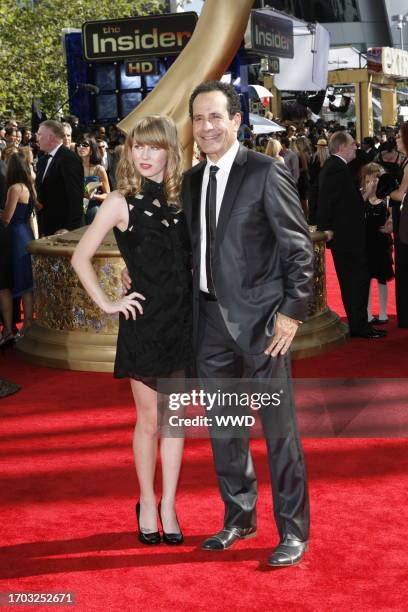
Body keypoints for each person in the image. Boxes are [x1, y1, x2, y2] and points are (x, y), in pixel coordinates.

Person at [183, 81, 313, 567]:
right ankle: (238, 517)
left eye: (215, 117)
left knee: (279, 431)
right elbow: (196, 248)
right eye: (198, 119)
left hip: (264, 325)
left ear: (237, 121)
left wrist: (290, 313)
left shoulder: (264, 171)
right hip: (209, 321)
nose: (206, 127)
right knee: (226, 428)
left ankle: (293, 531)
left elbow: (298, 248)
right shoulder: (193, 180)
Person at [72, 115, 192, 546]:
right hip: (144, 324)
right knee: (149, 422)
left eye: (154, 147)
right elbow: (79, 257)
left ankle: (169, 506)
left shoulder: (184, 199)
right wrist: (108, 302)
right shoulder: (119, 202)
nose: (144, 155)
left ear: (169, 152)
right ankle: (145, 499)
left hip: (182, 322)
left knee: (175, 422)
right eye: (138, 146)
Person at [317, 131, 386, 339]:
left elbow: (344, 201)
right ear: (341, 147)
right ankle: (359, 326)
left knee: (355, 281)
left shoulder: (337, 167)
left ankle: (359, 325)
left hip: (348, 237)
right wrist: (325, 227)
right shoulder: (336, 168)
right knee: (355, 281)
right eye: (352, 144)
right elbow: (326, 201)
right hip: (347, 239)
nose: (356, 147)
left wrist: (363, 194)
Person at [1, 153, 35, 338]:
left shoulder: (14, 188)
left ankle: (18, 327)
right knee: (26, 283)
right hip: (25, 233)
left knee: (18, 281)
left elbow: (7, 218)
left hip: (15, 235)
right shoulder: (28, 186)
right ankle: (28, 323)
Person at [35, 120, 83, 236]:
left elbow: (75, 196)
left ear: (51, 137)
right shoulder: (42, 161)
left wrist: (69, 228)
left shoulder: (69, 159)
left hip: (64, 230)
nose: (37, 138)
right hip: (46, 226)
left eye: (40, 135)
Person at [360, 163, 394, 324]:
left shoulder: (387, 199)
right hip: (365, 244)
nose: (373, 183)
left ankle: (383, 312)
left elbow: (394, 216)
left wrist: (390, 223)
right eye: (369, 180)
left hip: (381, 244)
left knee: (382, 278)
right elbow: (354, 212)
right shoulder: (361, 197)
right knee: (365, 280)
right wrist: (366, 193)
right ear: (364, 181)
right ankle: (367, 312)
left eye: (376, 179)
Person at [388, 122, 408, 328]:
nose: (396, 139)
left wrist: (382, 189)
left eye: (400, 137)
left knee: (404, 269)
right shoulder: (405, 161)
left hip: (405, 226)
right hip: (403, 222)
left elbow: (400, 195)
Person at [75, 137, 110, 225]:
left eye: (85, 145)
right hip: (76, 208)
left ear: (91, 150)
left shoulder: (99, 169)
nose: (81, 147)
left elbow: (108, 195)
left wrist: (94, 196)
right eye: (78, 145)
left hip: (92, 208)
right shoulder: (72, 167)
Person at [308, 138, 329, 225]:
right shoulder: (329, 159)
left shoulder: (314, 158)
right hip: (325, 186)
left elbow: (311, 174)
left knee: (313, 206)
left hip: (315, 186)